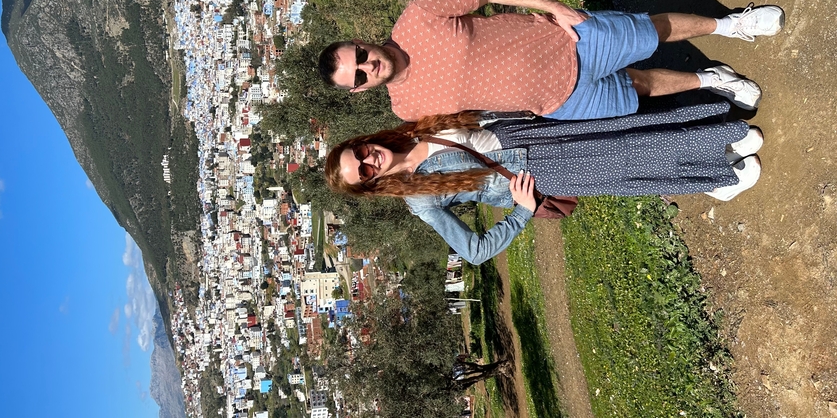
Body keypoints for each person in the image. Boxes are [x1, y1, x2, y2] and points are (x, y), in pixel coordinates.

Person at [324, 104, 762, 265]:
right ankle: (719, 176)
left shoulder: (411, 127)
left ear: (364, 142)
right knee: (624, 164)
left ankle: (716, 137)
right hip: (534, 173)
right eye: (362, 173)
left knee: (623, 130)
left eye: (360, 154)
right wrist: (522, 211)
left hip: (533, 133)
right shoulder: (418, 202)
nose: (368, 162)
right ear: (369, 186)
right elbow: (474, 253)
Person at [317, 0, 784, 121]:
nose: (365, 67)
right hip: (559, 103)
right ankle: (713, 80)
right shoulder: (406, 109)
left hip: (567, 40)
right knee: (639, 88)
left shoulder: (417, 17)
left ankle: (732, 23)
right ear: (359, 90)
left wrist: (555, 8)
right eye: (357, 76)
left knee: (652, 32)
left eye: (357, 57)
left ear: (360, 42)